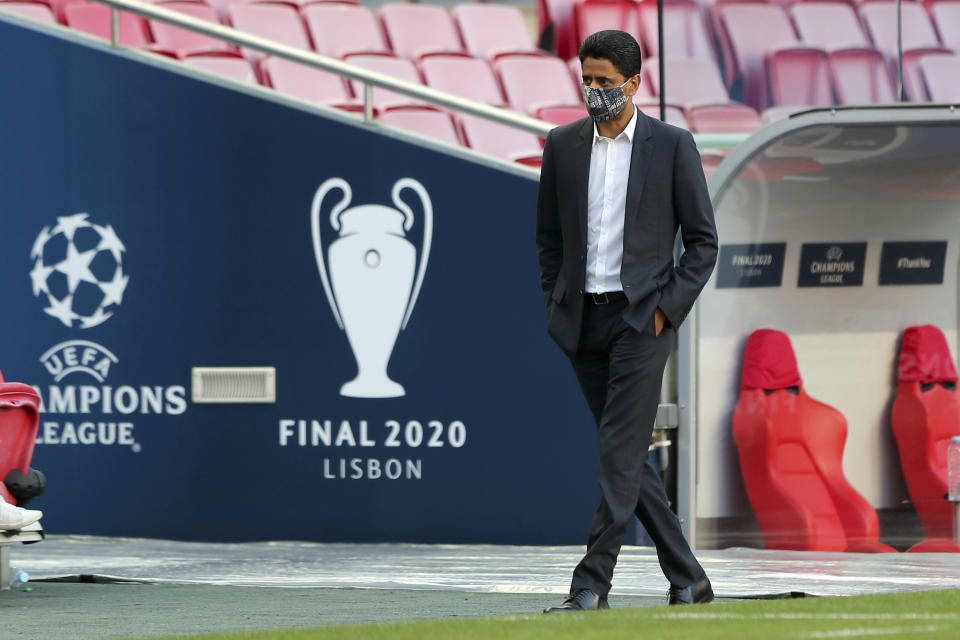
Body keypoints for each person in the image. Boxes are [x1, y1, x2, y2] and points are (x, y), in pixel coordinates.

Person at [536, 30, 718, 611]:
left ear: (634, 84)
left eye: (605, 82)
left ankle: (592, 583)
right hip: (581, 324)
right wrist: (554, 298)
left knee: (617, 452)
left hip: (643, 321)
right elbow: (549, 239)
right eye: (586, 79)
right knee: (628, 457)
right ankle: (689, 578)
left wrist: (666, 310)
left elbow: (703, 244)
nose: (593, 91)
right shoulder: (562, 145)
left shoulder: (672, 145)